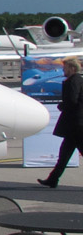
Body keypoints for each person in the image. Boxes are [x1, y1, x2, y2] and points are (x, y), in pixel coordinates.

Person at [39, 57, 83, 188]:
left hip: (76, 125)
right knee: (64, 155)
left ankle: (53, 179)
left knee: (64, 154)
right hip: (74, 126)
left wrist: (61, 106)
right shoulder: (77, 80)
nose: (63, 70)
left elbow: (72, 100)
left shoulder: (73, 81)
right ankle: (53, 179)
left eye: (65, 68)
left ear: (72, 68)